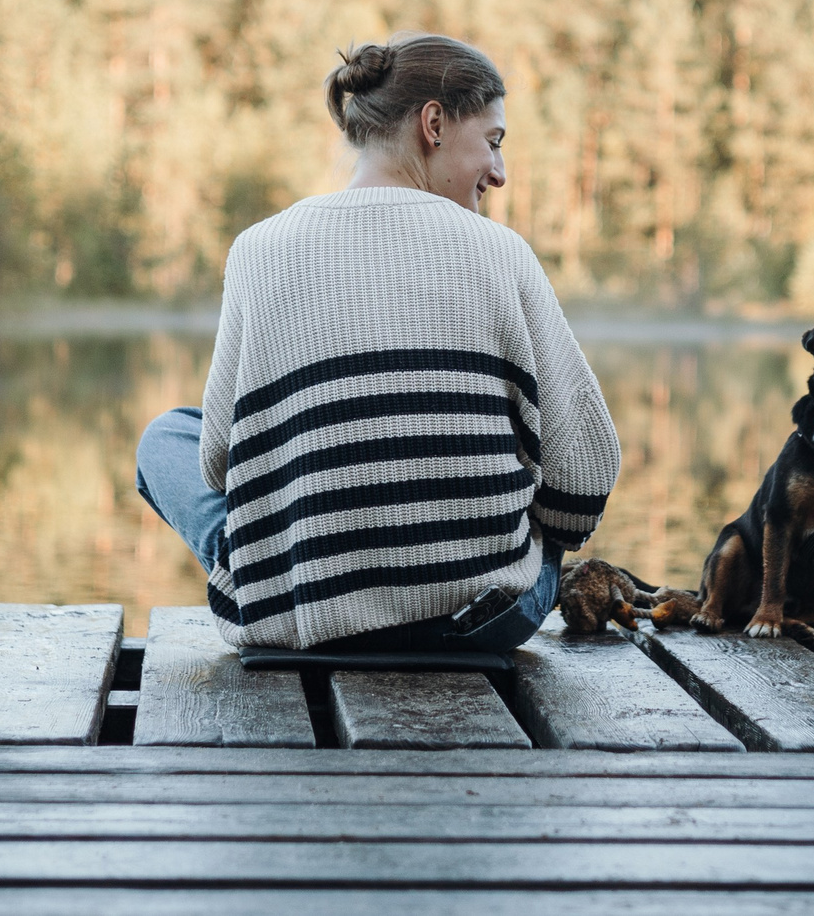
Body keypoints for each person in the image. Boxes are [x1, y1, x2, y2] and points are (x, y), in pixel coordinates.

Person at [133, 32, 621, 652]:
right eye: (493, 143)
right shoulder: (501, 253)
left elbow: (220, 464)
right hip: (478, 622)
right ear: (434, 123)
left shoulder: (258, 249)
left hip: (301, 622)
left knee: (167, 437)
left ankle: (295, 582)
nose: (498, 172)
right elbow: (586, 480)